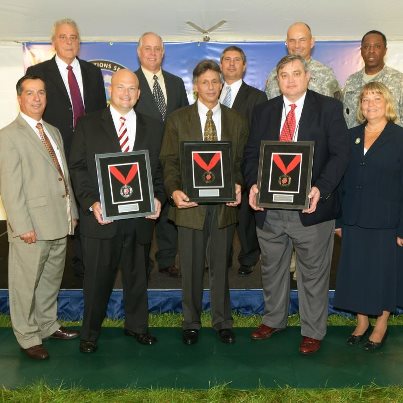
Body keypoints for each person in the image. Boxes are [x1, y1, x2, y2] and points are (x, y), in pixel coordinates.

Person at [244, 55, 349, 354]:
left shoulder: (328, 108)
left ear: (307, 77)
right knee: (272, 268)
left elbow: (341, 155)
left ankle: (313, 330)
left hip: (311, 209)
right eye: (284, 75)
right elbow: (251, 155)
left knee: (313, 273)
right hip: (270, 210)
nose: (290, 80)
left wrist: (320, 189)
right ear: (277, 79)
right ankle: (273, 320)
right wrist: (253, 184)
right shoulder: (263, 111)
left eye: (296, 73)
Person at [69, 69, 164, 353]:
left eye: (132, 89)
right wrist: (92, 202)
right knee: (97, 277)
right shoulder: (87, 124)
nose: (126, 93)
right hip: (102, 217)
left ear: (138, 94)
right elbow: (78, 167)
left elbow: (158, 170)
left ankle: (137, 327)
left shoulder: (154, 126)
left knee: (138, 276)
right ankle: (90, 333)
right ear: (112, 89)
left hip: (139, 218)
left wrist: (158, 197)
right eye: (121, 87)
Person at [160, 60, 248, 345]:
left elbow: (238, 163)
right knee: (191, 266)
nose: (210, 87)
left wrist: (238, 185)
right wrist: (173, 191)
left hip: (224, 206)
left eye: (215, 82)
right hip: (190, 206)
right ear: (195, 86)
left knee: (221, 265)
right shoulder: (177, 119)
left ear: (221, 85)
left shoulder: (236, 120)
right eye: (204, 82)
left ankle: (222, 321)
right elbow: (169, 161)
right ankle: (191, 322)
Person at [0, 75, 79, 360]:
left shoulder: (53, 131)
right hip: (31, 226)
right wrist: (22, 227)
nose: (36, 98)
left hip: (59, 221)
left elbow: (63, 176)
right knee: (25, 283)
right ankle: (27, 336)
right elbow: (10, 188)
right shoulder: (8, 135)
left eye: (41, 93)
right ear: (19, 97)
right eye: (30, 93)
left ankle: (47, 324)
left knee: (49, 281)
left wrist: (73, 213)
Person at [26, 18, 107, 279]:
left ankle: (85, 265)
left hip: (87, 153)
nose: (69, 42)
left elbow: (99, 116)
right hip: (53, 151)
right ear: (54, 42)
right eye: (63, 37)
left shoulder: (93, 73)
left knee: (86, 204)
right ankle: (55, 270)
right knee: (57, 206)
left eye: (73, 37)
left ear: (79, 42)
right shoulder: (38, 73)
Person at [334, 82, 403, 351]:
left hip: (386, 221)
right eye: (365, 99)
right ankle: (361, 322)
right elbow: (340, 182)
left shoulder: (399, 137)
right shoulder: (350, 136)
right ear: (360, 106)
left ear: (387, 103)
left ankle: (381, 324)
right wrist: (339, 221)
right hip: (352, 218)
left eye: (376, 98)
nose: (370, 104)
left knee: (382, 274)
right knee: (356, 273)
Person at [135, 32, 189, 278]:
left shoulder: (176, 83)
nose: (153, 53)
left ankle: (167, 259)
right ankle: (141, 260)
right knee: (142, 213)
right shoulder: (130, 82)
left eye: (157, 49)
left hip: (171, 158)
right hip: (141, 157)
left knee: (169, 212)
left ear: (163, 52)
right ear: (139, 51)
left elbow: (186, 120)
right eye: (148, 48)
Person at [219, 45, 267, 276]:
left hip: (245, 163)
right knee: (220, 216)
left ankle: (248, 259)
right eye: (226, 59)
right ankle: (221, 257)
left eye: (236, 60)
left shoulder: (257, 97)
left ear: (244, 65)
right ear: (220, 65)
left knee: (246, 217)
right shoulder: (211, 92)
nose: (231, 64)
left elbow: (260, 133)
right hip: (215, 166)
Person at [343, 30, 403, 128]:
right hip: (355, 141)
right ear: (361, 50)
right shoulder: (351, 81)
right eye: (366, 47)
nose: (371, 51)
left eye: (377, 46)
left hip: (390, 141)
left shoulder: (399, 80)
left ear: (385, 50)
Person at [265, 22, 340, 100]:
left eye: (302, 40)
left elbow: (332, 108)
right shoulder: (274, 74)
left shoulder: (325, 74)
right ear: (286, 43)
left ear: (311, 42)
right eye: (292, 40)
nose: (297, 45)